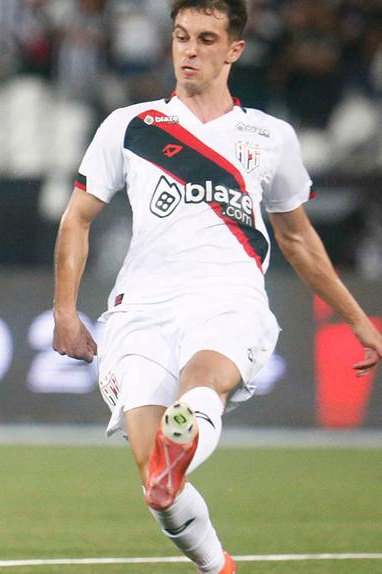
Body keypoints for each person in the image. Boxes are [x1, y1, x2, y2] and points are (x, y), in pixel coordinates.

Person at [52, 2, 382, 574]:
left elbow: (298, 239)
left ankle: (186, 431)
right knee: (155, 477)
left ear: (234, 50)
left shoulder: (269, 137)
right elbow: (76, 218)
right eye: (181, 37)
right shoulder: (129, 126)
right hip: (141, 310)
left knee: (202, 384)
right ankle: (217, 565)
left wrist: (356, 316)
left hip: (228, 300)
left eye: (206, 39)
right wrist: (64, 312)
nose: (190, 50)